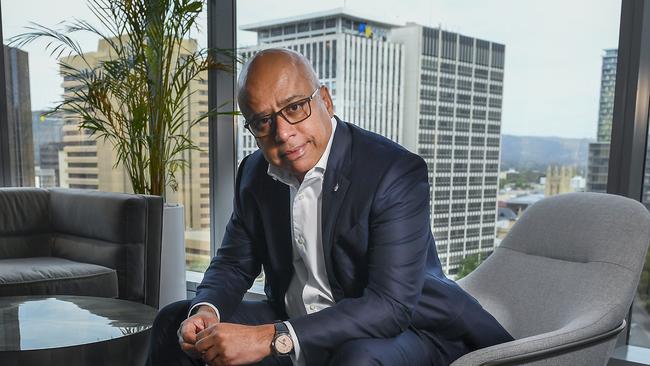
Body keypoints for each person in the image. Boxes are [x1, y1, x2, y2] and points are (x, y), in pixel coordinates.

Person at [147, 48, 513, 366]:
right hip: (295, 317)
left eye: (294, 108)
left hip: (406, 330)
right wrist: (206, 312)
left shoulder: (393, 171)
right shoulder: (254, 173)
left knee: (356, 359)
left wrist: (272, 338)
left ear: (325, 100)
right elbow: (232, 265)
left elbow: (389, 307)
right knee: (173, 321)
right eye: (262, 121)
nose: (283, 132)